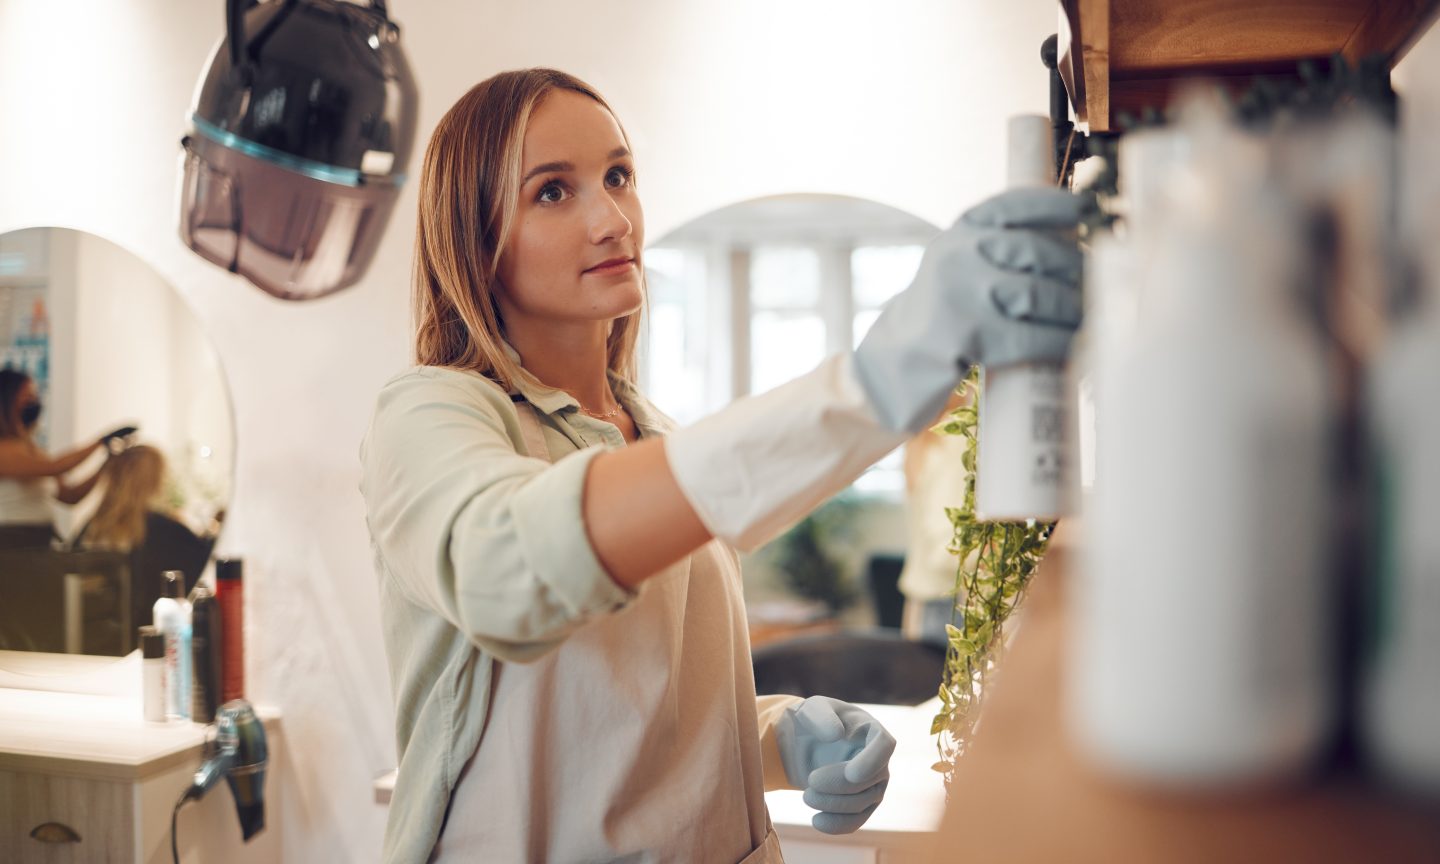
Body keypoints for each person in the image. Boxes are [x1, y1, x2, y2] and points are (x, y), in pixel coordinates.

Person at [360, 68, 1083, 864]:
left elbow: (630, 716)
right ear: (474, 235)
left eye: (618, 176)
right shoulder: (429, 416)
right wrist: (872, 386)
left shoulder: (653, 436)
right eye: (553, 193)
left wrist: (777, 735)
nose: (611, 219)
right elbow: (506, 573)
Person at [76, 443, 215, 636]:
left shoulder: (93, 526)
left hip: (93, 633)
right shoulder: (161, 530)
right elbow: (203, 561)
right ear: (153, 481)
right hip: (145, 632)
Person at [0, 368, 131, 547]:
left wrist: (106, 463)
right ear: (7, 399)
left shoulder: (32, 449)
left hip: (40, 542)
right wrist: (100, 441)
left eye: (35, 395)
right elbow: (56, 467)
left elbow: (70, 496)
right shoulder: (4, 450)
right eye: (27, 395)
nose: (34, 401)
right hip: (11, 545)